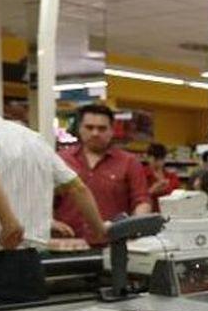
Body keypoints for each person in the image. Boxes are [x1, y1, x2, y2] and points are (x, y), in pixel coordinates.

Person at [0, 69, 106, 311]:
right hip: (28, 268)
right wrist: (100, 229)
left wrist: (9, 222)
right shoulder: (31, 137)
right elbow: (77, 187)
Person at [53, 104, 151, 242]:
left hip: (113, 245)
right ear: (80, 129)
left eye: (102, 128)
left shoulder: (129, 162)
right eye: (89, 127)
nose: (95, 133)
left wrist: (135, 226)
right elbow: (43, 200)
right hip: (67, 245)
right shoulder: (61, 160)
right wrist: (51, 222)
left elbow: (142, 201)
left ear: (111, 130)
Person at [144, 143, 181, 211]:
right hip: (148, 213)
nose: (158, 163)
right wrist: (152, 190)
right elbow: (137, 197)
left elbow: (178, 195)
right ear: (148, 157)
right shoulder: (141, 175)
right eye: (155, 159)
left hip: (169, 212)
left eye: (161, 159)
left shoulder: (171, 176)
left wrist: (166, 189)